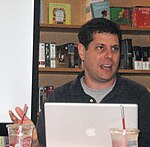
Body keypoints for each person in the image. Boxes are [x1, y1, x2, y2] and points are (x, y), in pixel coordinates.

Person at [9, 18, 150, 147]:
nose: (109, 56)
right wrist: (34, 142)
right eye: (101, 48)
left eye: (115, 49)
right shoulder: (59, 98)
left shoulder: (139, 96)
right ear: (82, 51)